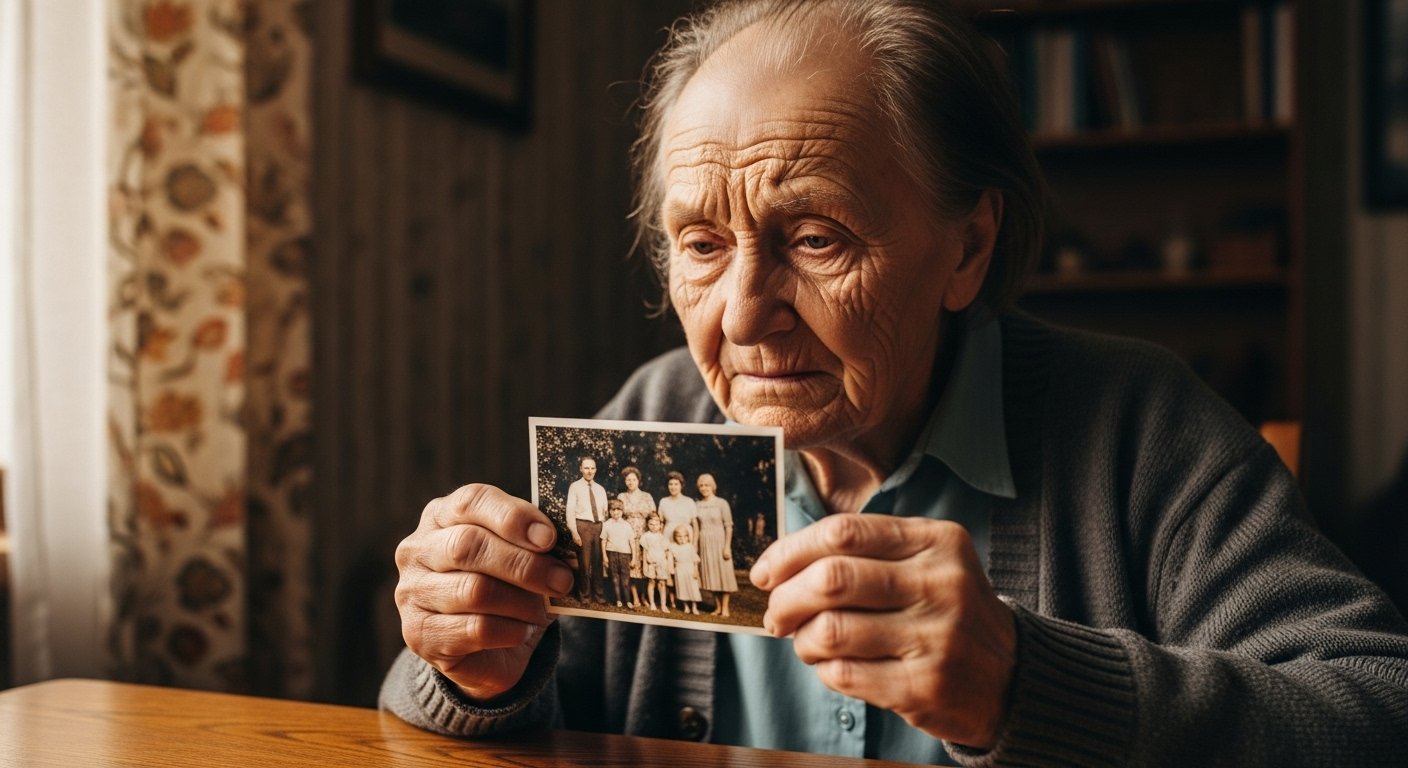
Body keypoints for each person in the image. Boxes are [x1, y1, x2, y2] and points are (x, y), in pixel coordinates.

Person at [384, 1, 1408, 764]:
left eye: (815, 238)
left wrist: (1028, 685)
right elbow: (477, 720)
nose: (741, 315)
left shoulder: (1140, 430)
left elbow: (1377, 707)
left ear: (967, 248)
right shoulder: (656, 418)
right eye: (700, 243)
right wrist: (473, 673)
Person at [563, 457, 608, 604]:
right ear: (581, 469)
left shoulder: (600, 489)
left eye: (592, 468)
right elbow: (570, 511)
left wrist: (604, 530)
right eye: (586, 468)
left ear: (595, 469)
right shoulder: (575, 487)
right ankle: (585, 596)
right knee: (584, 563)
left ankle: (599, 595)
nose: (589, 471)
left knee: (598, 563)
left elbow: (605, 512)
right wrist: (575, 533)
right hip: (583, 526)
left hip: (598, 527)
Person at [694, 473, 738, 617]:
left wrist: (727, 546)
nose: (704, 488)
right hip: (704, 541)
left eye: (706, 485)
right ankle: (717, 607)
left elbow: (729, 526)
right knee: (710, 575)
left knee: (724, 574)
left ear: (712, 486)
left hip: (719, 541)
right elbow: (696, 526)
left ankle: (725, 608)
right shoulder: (698, 505)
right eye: (701, 486)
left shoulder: (721, 503)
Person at [618, 467, 656, 607]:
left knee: (645, 566)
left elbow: (653, 515)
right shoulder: (621, 496)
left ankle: (644, 596)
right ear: (625, 481)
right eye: (628, 480)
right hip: (627, 534)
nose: (631, 482)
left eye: (634, 479)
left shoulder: (647, 496)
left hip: (645, 535)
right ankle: (635, 597)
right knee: (631, 567)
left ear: (638, 480)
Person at [600, 500, 637, 608]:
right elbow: (603, 541)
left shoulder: (626, 525)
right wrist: (604, 556)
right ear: (610, 511)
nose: (616, 512)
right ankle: (618, 600)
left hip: (625, 554)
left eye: (618, 510)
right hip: (612, 553)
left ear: (622, 511)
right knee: (615, 578)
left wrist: (634, 558)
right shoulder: (607, 524)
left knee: (625, 579)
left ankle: (628, 601)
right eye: (613, 510)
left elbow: (632, 542)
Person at [639, 514, 671, 611]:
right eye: (651, 524)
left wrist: (665, 565)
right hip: (650, 562)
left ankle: (663, 605)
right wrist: (645, 564)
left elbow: (666, 553)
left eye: (656, 524)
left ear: (661, 525)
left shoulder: (663, 538)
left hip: (661, 562)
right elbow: (644, 552)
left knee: (662, 583)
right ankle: (652, 603)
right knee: (651, 582)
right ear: (647, 524)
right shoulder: (646, 537)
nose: (654, 526)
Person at [667, 526, 702, 615]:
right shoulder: (673, 547)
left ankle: (694, 606)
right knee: (682, 588)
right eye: (679, 537)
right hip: (680, 569)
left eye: (684, 536)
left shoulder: (690, 547)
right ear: (675, 537)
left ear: (687, 537)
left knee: (693, 588)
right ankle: (686, 606)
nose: (682, 539)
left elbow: (695, 561)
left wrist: (695, 571)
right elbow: (670, 559)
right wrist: (671, 570)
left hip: (690, 569)